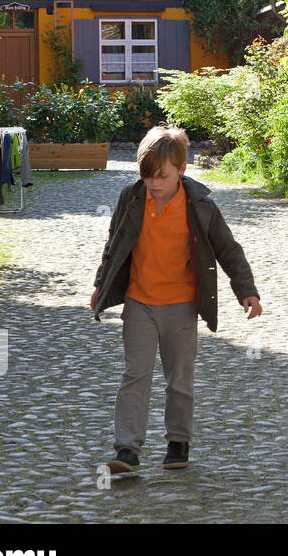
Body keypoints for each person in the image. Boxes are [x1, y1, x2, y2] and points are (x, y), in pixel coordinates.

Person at [91, 125, 262, 472]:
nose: (153, 183)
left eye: (161, 177)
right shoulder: (132, 196)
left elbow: (228, 249)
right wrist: (101, 283)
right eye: (146, 176)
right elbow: (114, 243)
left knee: (179, 378)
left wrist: (247, 290)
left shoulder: (199, 206)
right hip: (139, 301)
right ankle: (127, 450)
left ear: (182, 171)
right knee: (135, 374)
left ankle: (178, 443)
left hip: (182, 305)